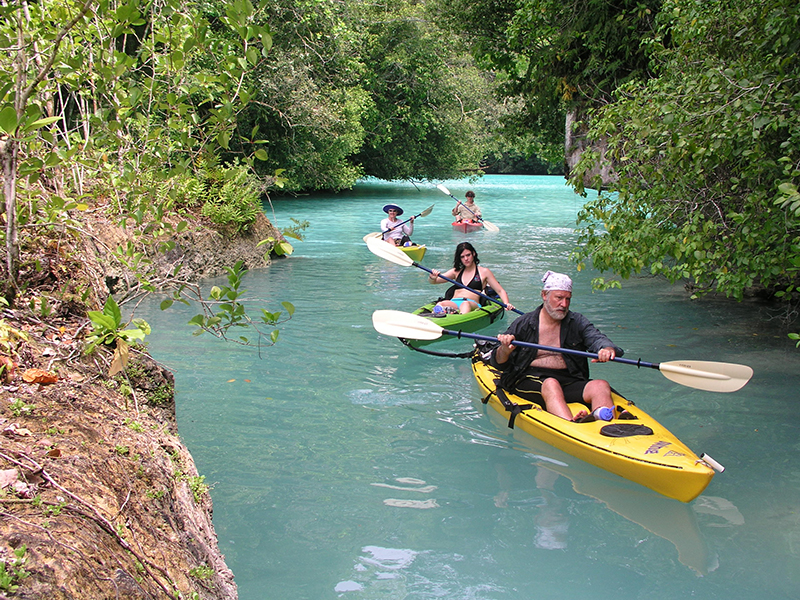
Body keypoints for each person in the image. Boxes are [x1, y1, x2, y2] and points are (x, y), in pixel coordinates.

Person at [490, 270, 623, 422]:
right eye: (559, 298)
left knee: (600, 385)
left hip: (569, 380)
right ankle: (570, 425)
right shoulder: (524, 323)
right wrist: (504, 350)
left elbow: (597, 338)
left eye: (568, 299)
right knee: (551, 384)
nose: (564, 304)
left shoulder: (577, 322)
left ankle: (605, 423)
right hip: (528, 380)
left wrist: (607, 349)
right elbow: (497, 362)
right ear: (544, 295)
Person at [428, 242, 514, 314]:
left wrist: (506, 303)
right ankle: (440, 316)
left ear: (473, 254)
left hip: (472, 303)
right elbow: (434, 281)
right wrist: (432, 277)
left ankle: (459, 317)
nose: (466, 259)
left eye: (468, 255)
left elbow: (500, 290)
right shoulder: (456, 272)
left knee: (465, 304)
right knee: (440, 304)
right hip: (454, 302)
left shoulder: (484, 272)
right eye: (462, 257)